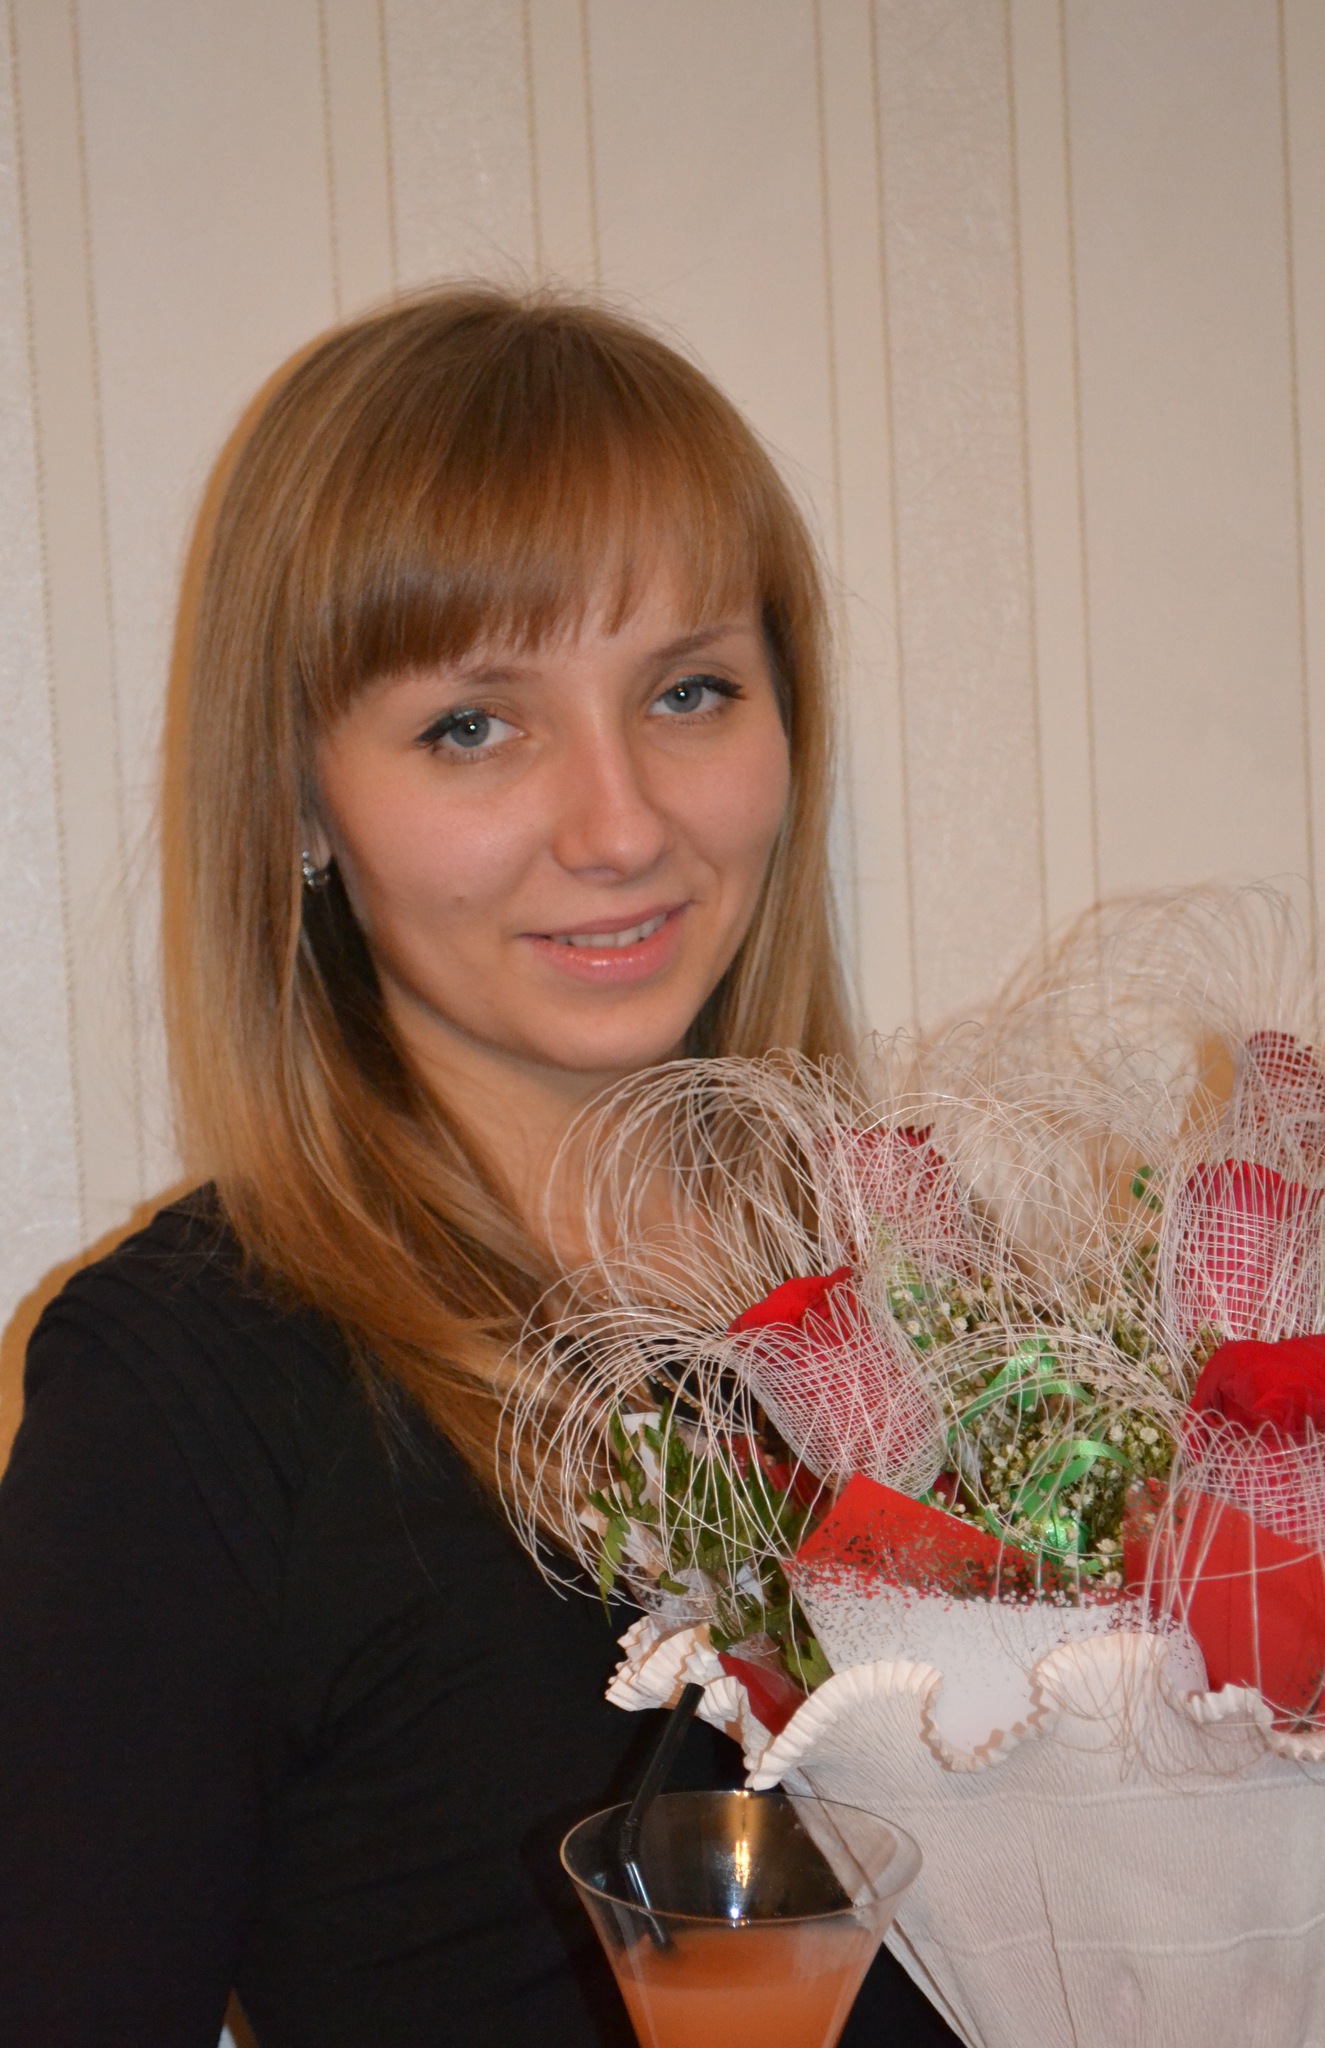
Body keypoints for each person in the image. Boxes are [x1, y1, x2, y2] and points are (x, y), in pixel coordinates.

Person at [0, 286, 962, 2046]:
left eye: (687, 691)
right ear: (301, 799)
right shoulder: (187, 1397)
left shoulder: (957, 1314)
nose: (621, 825)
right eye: (472, 725)